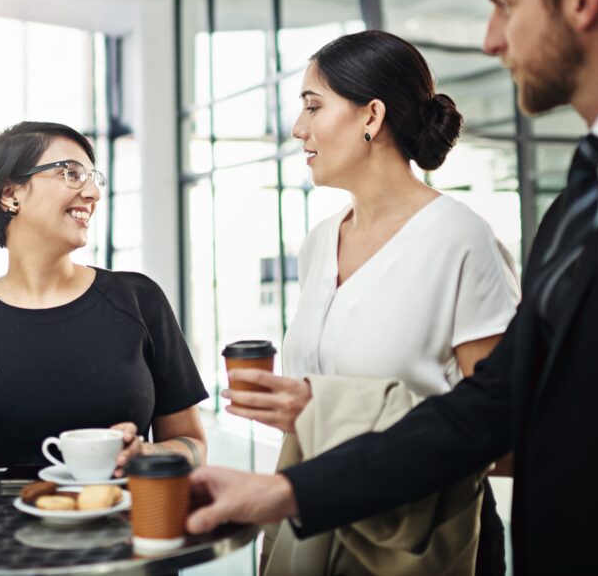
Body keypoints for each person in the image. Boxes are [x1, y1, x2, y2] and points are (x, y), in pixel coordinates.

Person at [185, 0, 598, 572]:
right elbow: (492, 409)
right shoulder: (578, 202)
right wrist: (286, 488)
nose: (489, 38)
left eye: (505, 3)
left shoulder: (474, 231)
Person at [222, 30, 518, 575]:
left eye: (313, 105)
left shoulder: (460, 238)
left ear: (371, 116)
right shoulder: (319, 242)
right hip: (318, 520)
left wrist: (326, 413)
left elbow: (505, 437)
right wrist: (293, 411)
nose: (298, 129)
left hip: (419, 541)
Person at [0, 122, 207, 474]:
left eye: (92, 177)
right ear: (11, 193)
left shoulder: (139, 300)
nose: (92, 194)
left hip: (124, 523)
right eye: (71, 173)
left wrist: (145, 454)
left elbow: (194, 446)